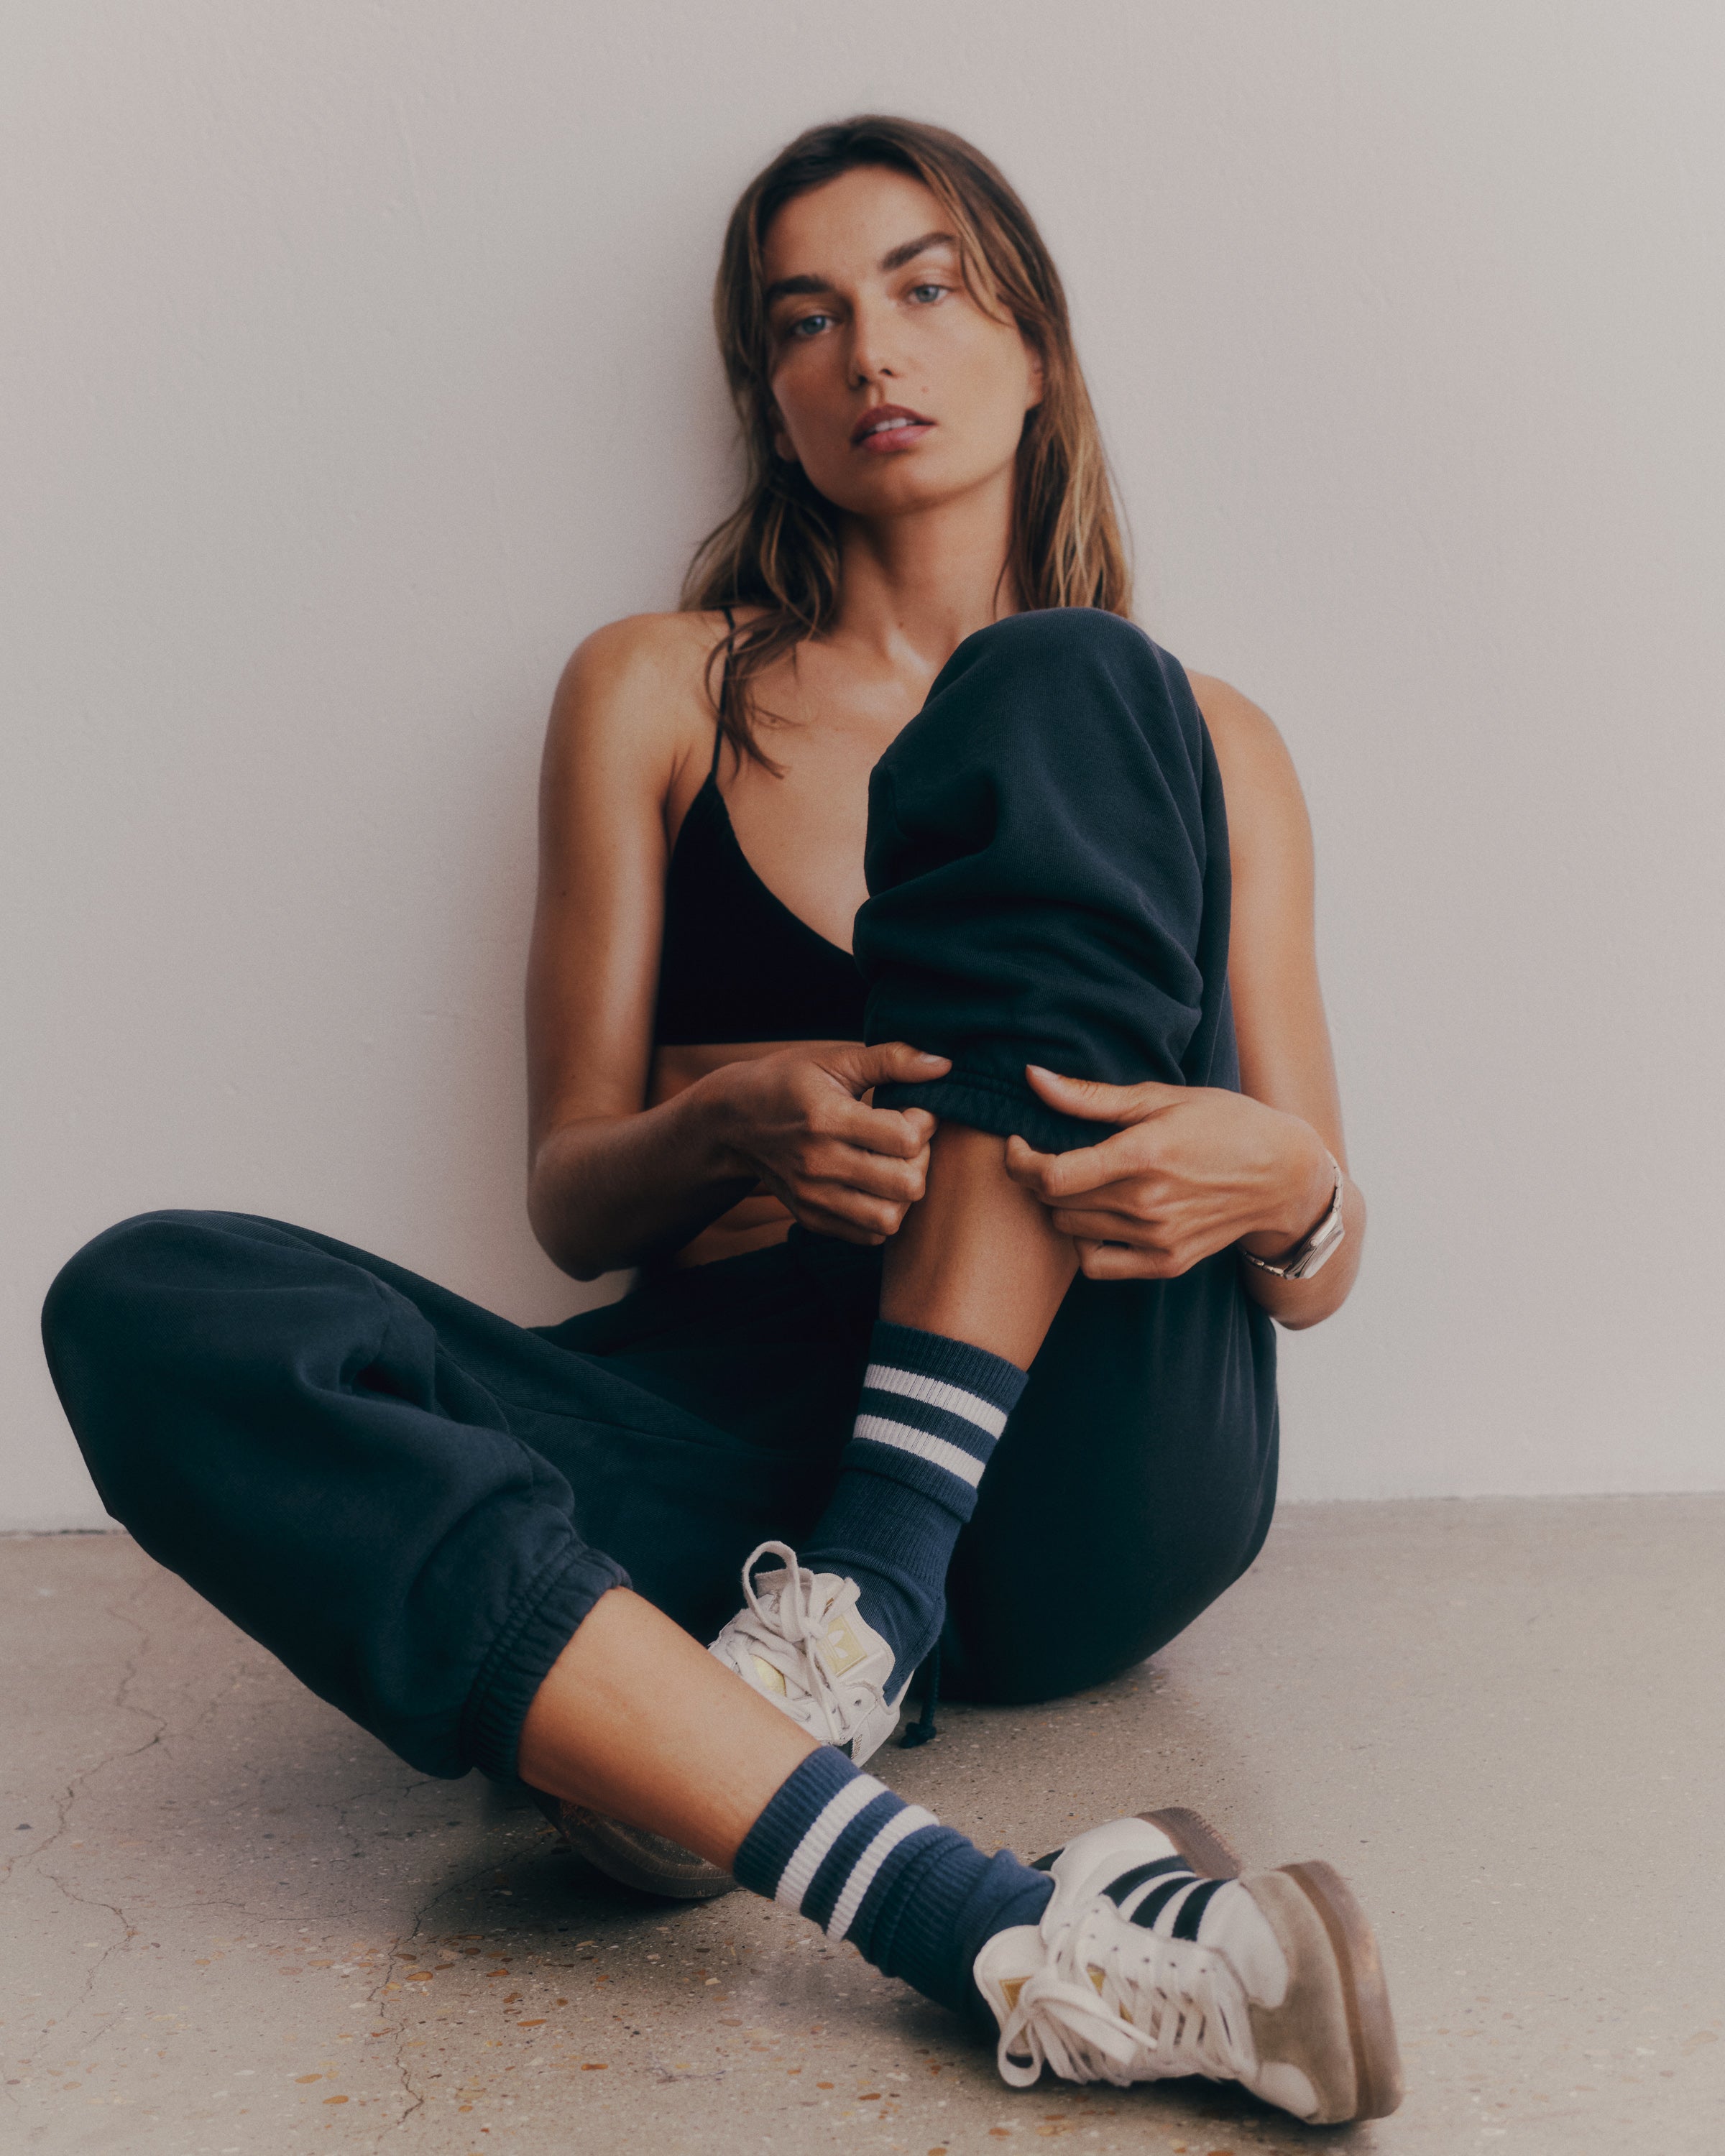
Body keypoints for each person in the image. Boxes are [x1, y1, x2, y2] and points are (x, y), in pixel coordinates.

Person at [40, 116, 1401, 2124]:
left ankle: (871, 1589)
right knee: (150, 1301)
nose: (873, 351)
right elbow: (575, 1197)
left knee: (1064, 674)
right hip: (738, 1458)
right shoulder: (657, 689)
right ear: (768, 393)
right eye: (807, 318)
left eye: (927, 288)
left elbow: (1318, 1255)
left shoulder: (1190, 732)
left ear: (1036, 348)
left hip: (1088, 1442)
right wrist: (732, 1127)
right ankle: (974, 1902)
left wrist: (1284, 1184)